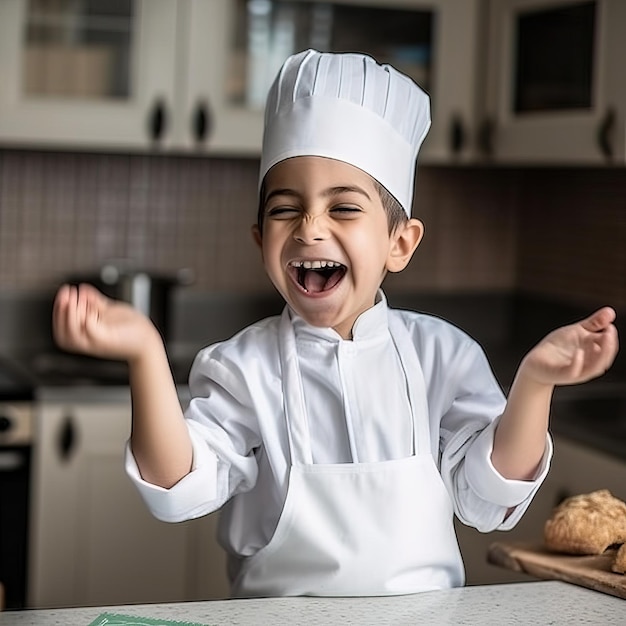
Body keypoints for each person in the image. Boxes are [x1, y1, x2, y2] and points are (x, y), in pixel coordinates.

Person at [52, 49, 618, 598]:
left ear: (400, 243)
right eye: (283, 209)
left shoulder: (443, 356)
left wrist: (536, 382)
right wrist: (145, 353)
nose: (309, 228)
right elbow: (177, 488)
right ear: (260, 240)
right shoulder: (241, 367)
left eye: (343, 207)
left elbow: (487, 495)